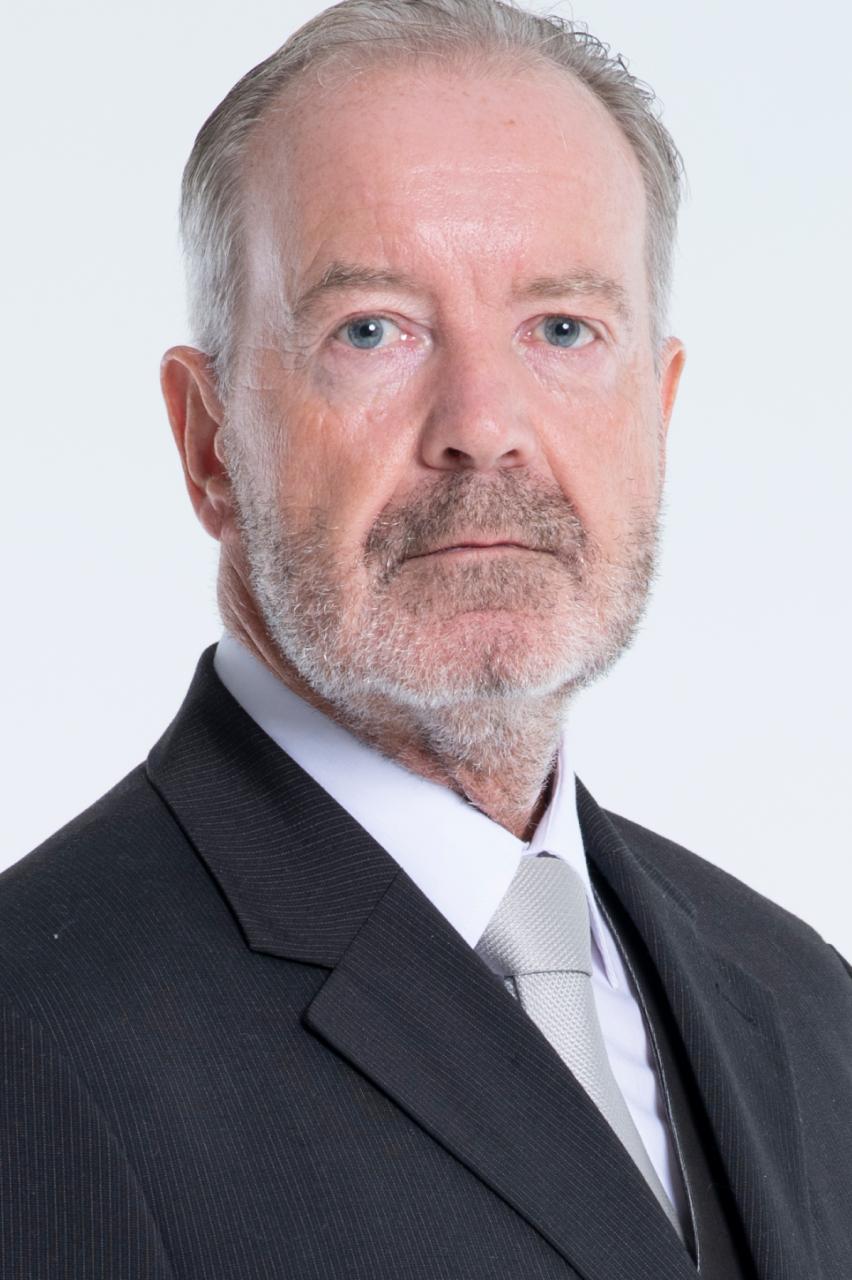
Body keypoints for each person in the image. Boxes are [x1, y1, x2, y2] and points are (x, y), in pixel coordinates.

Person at [1, 0, 850, 1276]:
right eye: (372, 329)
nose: (483, 424)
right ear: (209, 440)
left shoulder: (802, 999)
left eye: (562, 328)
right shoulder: (35, 1046)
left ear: (658, 411)